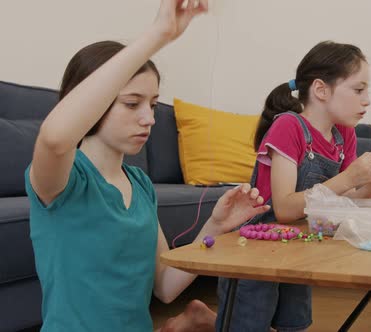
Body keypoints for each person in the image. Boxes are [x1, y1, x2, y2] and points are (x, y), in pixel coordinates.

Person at [24, 1, 268, 331]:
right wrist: (159, 34)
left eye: (152, 104)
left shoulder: (139, 184)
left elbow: (165, 287)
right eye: (131, 103)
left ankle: (185, 321)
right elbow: (54, 139)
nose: (149, 118)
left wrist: (214, 227)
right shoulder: (61, 180)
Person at [216, 41, 371, 332]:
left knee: (293, 324)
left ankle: (201, 320)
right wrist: (349, 177)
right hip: (255, 250)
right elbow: (284, 208)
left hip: (298, 246)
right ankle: (202, 320)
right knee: (247, 324)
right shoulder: (288, 126)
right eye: (358, 90)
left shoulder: (344, 134)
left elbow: (343, 200)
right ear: (321, 90)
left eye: (367, 91)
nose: (367, 100)